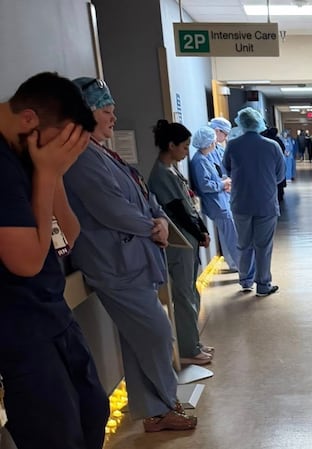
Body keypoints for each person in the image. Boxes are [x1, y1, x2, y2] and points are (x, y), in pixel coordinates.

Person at [64, 77, 197, 432]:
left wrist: (159, 221)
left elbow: (142, 196)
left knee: (140, 338)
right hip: (115, 266)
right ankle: (166, 405)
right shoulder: (80, 160)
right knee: (155, 334)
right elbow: (111, 209)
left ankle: (154, 411)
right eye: (107, 111)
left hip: (133, 260)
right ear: (84, 113)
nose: (113, 118)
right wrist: (152, 226)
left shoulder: (103, 153)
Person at [0, 72, 109, 449]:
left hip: (53, 312)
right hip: (18, 326)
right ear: (29, 119)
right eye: (61, 143)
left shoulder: (30, 153)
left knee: (93, 410)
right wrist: (46, 175)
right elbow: (27, 262)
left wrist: (54, 173)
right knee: (56, 433)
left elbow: (65, 241)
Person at [148, 120, 213, 366]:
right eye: (184, 146)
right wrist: (198, 233)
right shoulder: (160, 174)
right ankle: (188, 347)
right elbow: (178, 210)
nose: (187, 151)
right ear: (171, 145)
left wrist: (202, 230)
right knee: (184, 296)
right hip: (180, 243)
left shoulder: (172, 170)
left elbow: (188, 205)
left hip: (189, 240)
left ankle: (192, 341)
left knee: (191, 292)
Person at [224, 107, 285, 297]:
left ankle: (245, 280)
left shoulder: (232, 145)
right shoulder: (272, 146)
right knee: (263, 245)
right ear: (259, 122)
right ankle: (263, 285)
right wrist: (265, 182)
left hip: (240, 202)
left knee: (243, 243)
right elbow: (280, 174)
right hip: (265, 202)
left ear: (241, 123)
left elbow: (227, 169)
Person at [190, 126, 240, 272]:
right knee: (232, 238)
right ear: (209, 142)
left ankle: (238, 265)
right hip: (217, 205)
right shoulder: (200, 161)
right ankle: (243, 268)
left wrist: (223, 183)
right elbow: (205, 185)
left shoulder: (204, 159)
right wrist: (222, 184)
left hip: (220, 202)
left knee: (230, 236)